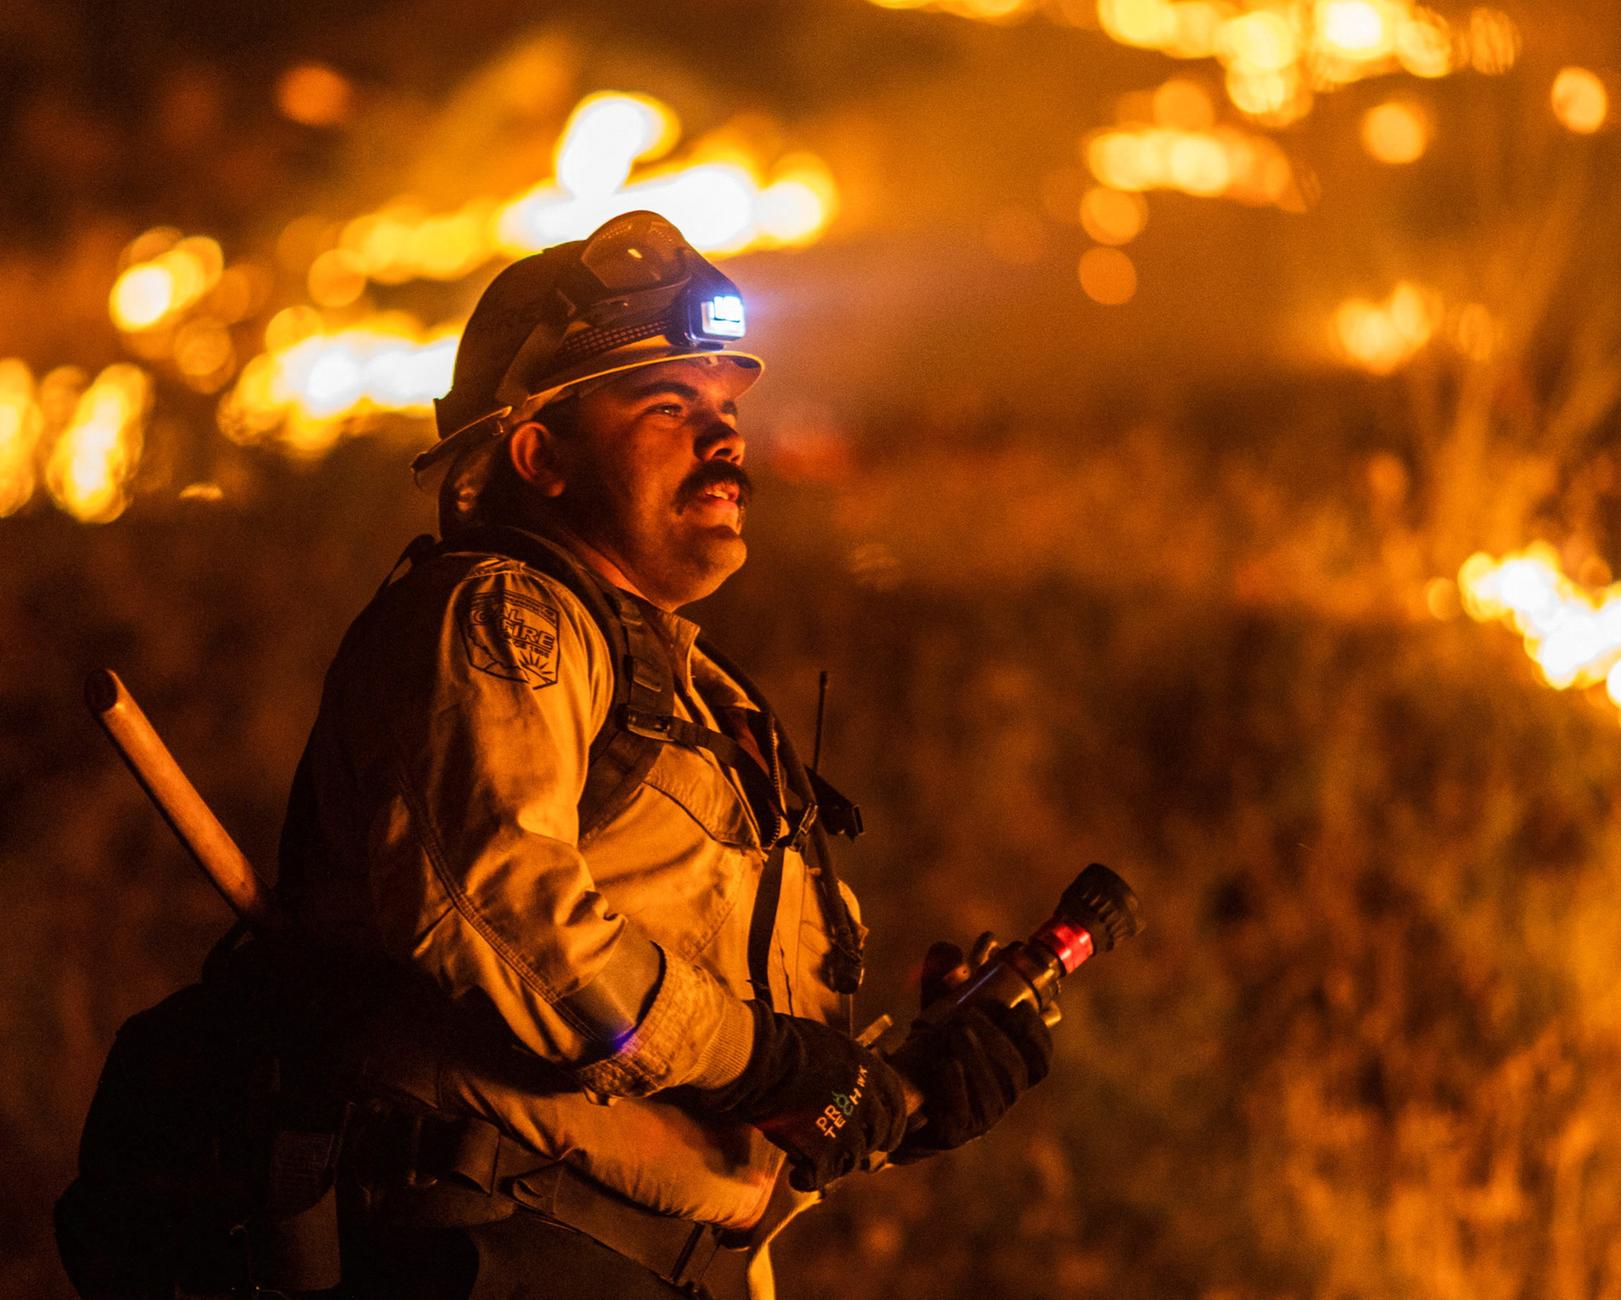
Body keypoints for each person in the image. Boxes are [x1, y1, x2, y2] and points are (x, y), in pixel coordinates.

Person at [271, 211, 1053, 1299]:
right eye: (667, 405)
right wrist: (774, 1066)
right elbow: (507, 917)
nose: (725, 438)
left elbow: (715, 1071)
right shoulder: (499, 617)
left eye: (725, 408)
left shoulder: (697, 695)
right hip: (505, 1251)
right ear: (538, 452)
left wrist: (888, 1096)